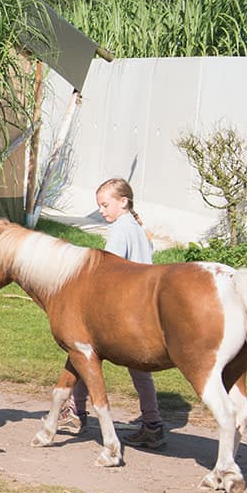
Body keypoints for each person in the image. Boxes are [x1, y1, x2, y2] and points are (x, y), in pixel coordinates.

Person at [56, 178, 164, 446]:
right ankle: (152, 422)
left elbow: (107, 269)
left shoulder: (120, 230)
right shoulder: (138, 228)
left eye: (105, 205)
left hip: (119, 305)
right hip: (140, 303)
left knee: (84, 355)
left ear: (123, 202)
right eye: (100, 206)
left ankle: (76, 413)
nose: (102, 211)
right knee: (140, 370)